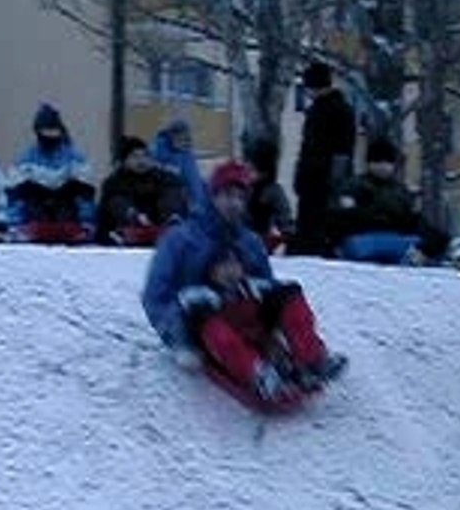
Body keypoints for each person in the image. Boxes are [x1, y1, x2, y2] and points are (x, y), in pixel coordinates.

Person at [142, 160, 346, 404]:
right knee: (205, 315)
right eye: (227, 195)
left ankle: (311, 359)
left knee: (288, 292)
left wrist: (271, 327)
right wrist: (179, 337)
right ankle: (257, 373)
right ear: (212, 196)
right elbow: (156, 296)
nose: (234, 204)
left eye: (240, 197)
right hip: (202, 321)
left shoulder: (249, 242)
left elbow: (265, 285)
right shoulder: (180, 240)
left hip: (242, 310)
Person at [329, 137, 452, 265]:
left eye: (387, 162)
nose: (383, 167)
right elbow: (343, 217)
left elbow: (412, 218)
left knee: (429, 236)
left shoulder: (399, 192)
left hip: (395, 236)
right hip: (364, 236)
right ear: (369, 163)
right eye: (378, 162)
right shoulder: (356, 186)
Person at [291, 60, 356, 256]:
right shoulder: (339, 109)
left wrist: (333, 181)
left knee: (314, 230)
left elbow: (335, 151)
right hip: (320, 178)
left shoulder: (324, 111)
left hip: (319, 180)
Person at [8, 103, 95, 226]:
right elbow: (15, 196)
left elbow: (85, 195)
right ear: (38, 132)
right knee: (34, 203)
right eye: (46, 131)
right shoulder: (26, 161)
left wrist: (86, 222)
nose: (50, 135)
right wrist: (14, 224)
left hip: (66, 212)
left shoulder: (75, 159)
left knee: (65, 207)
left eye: (54, 131)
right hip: (36, 215)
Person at [96, 135, 187, 245]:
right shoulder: (114, 182)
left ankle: (171, 225)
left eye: (145, 155)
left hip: (158, 229)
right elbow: (118, 204)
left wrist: (171, 216)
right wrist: (134, 216)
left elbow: (172, 194)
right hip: (124, 230)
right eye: (135, 156)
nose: (141, 160)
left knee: (172, 193)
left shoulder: (162, 178)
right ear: (125, 160)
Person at [244, 137, 294, 249]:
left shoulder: (272, 191)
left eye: (252, 168)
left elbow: (287, 225)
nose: (247, 170)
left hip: (258, 246)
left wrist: (275, 240)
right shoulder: (240, 187)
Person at [152, 119, 206, 212]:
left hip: (186, 199)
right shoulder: (158, 152)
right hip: (166, 201)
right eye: (180, 139)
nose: (184, 142)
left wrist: (200, 202)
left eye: (187, 139)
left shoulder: (186, 153)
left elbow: (194, 179)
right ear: (171, 136)